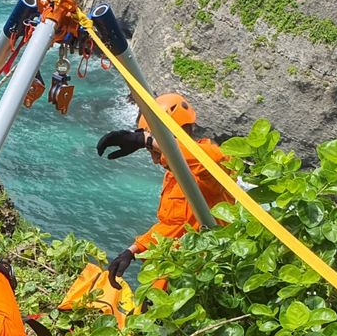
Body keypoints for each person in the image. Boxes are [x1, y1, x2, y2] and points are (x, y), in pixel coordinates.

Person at [97, 93, 236, 290]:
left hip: (203, 282)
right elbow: (173, 225)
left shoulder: (214, 164)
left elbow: (209, 161)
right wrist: (133, 250)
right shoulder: (174, 174)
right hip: (173, 279)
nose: (155, 160)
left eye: (156, 151)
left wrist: (147, 140)